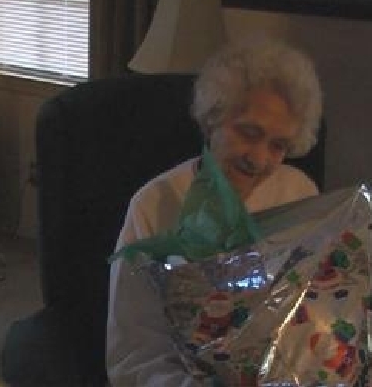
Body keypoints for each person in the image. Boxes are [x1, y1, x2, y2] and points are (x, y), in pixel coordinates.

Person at [106, 36, 323, 386]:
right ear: (213, 119)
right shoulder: (155, 203)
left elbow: (315, 312)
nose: (259, 159)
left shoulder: (300, 194)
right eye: (248, 133)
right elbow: (131, 352)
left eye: (278, 145)